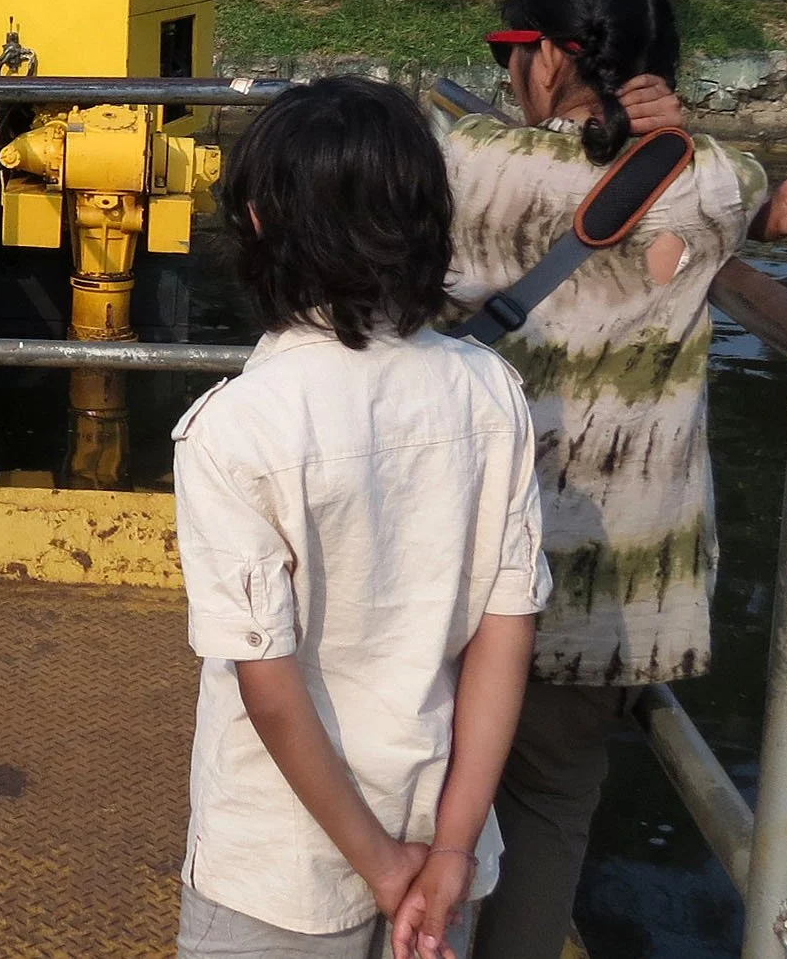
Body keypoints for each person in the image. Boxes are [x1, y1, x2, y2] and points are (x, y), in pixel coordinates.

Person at [450, 0, 787, 959]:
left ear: (546, 58)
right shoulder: (711, 179)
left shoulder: (471, 165)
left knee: (429, 799)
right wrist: (719, 168)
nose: (505, 73)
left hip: (475, 564)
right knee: (550, 811)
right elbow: (739, 189)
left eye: (510, 50)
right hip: (617, 592)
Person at [176, 75, 549, 959]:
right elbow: (507, 629)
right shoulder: (490, 391)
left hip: (279, 859)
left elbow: (270, 686)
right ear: (423, 220)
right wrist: (448, 849)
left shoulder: (234, 429)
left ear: (260, 223)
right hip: (444, 835)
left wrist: (384, 869)